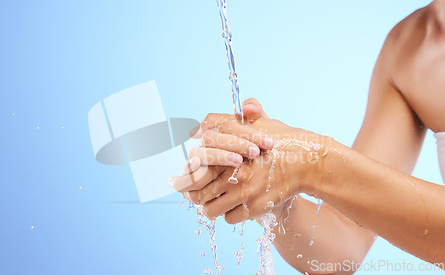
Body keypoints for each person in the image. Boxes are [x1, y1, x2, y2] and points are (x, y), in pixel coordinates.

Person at [169, 1, 445, 273]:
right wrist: (276, 190)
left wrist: (312, 163)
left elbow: (316, 167)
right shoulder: (414, 43)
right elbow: (346, 242)